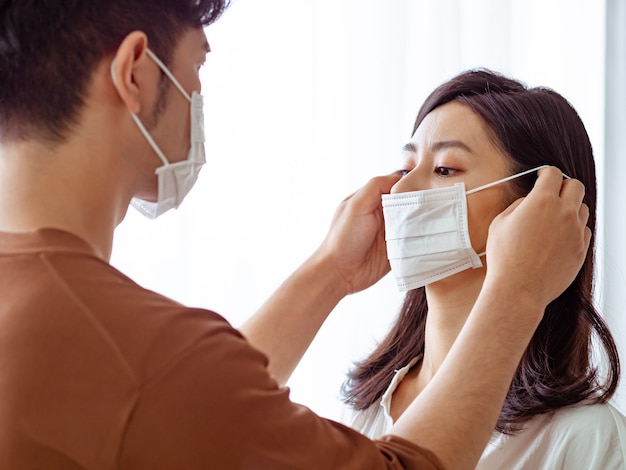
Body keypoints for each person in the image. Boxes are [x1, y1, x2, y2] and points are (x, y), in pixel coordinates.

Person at [0, 1, 592, 468]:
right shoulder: (129, 341)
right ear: (135, 72)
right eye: (197, 67)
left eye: (443, 169)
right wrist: (516, 293)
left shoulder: (80, 328)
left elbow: (198, 403)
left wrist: (330, 272)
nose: (401, 193)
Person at [337, 69, 626, 469]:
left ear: (538, 207)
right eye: (406, 168)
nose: (400, 192)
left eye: (444, 169)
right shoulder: (365, 405)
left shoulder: (585, 438)